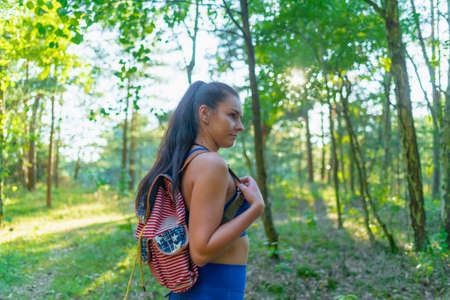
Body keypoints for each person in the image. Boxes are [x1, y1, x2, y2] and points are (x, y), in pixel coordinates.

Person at [135, 81, 265, 299]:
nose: (240, 125)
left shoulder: (188, 160)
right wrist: (256, 208)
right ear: (204, 113)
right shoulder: (210, 164)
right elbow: (201, 251)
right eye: (232, 115)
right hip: (213, 289)